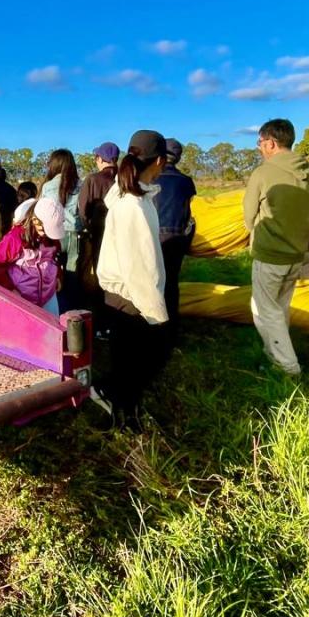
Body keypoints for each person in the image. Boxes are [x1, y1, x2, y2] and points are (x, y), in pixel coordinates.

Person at [97, 130, 171, 431]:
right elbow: (140, 267)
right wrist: (156, 313)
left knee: (125, 360)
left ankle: (123, 409)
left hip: (123, 295)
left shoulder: (131, 197)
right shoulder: (134, 206)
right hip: (131, 296)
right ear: (160, 161)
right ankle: (124, 416)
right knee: (134, 364)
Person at [244, 119, 309, 377]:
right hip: (296, 252)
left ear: (271, 143)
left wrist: (253, 232)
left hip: (270, 253)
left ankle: (287, 367)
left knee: (263, 310)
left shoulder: (263, 173)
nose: (259, 148)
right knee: (280, 307)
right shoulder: (306, 172)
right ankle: (273, 354)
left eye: (260, 143)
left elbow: (248, 215)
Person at [0, 197, 65, 313]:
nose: (48, 235)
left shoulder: (51, 238)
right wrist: (9, 289)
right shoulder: (15, 238)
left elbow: (54, 258)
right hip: (22, 297)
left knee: (53, 323)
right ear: (35, 221)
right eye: (46, 230)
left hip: (48, 293)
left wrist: (58, 275)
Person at [154, 139, 197, 339]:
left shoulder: (151, 178)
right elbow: (188, 210)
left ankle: (153, 324)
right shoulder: (186, 181)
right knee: (171, 282)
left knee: (152, 281)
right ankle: (171, 329)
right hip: (177, 237)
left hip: (154, 236)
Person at [76, 142, 120, 317]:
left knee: (101, 274)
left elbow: (82, 210)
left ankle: (102, 315)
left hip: (99, 235)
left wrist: (89, 228)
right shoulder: (124, 179)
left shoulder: (92, 179)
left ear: (100, 159)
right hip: (120, 236)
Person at [41, 149, 82, 311]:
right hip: (73, 233)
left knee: (53, 270)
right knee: (72, 273)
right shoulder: (79, 184)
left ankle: (56, 306)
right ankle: (72, 310)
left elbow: (43, 210)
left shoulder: (47, 186)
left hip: (53, 232)